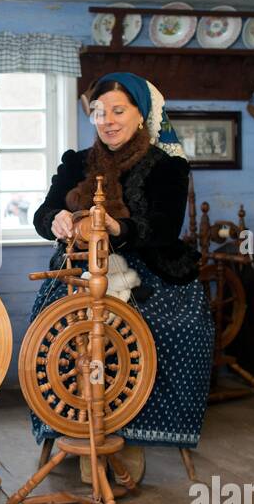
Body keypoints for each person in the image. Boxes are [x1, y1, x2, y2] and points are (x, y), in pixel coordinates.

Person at [31, 72, 214, 464]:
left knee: (170, 327)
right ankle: (72, 424)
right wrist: (57, 220)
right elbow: (42, 215)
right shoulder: (76, 163)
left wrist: (119, 228)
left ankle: (128, 431)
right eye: (99, 112)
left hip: (150, 268)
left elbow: (166, 230)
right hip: (81, 266)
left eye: (118, 111)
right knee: (52, 325)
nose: (107, 120)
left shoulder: (168, 166)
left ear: (141, 115)